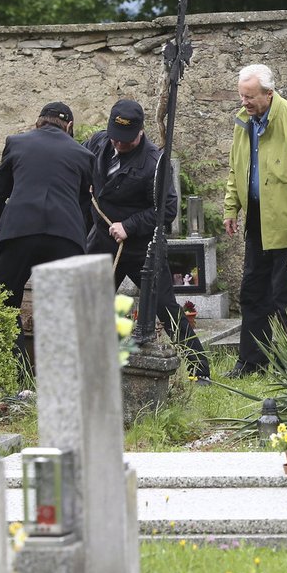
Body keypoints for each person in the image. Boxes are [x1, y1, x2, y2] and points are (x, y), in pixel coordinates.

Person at [85, 98, 210, 380]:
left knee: (165, 306)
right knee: (91, 303)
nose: (118, 144)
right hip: (103, 245)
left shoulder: (155, 162)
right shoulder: (98, 143)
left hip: (142, 248)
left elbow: (167, 209)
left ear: (140, 132)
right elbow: (82, 165)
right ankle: (92, 367)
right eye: (115, 138)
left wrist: (129, 226)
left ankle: (199, 368)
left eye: (125, 141)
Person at [223, 64, 287, 377]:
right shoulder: (244, 122)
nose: (245, 102)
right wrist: (231, 208)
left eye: (251, 97)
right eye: (242, 96)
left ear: (269, 94)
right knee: (252, 293)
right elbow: (235, 170)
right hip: (257, 221)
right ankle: (251, 361)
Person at [0, 102, 94, 310]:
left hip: (18, 233)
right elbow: (86, 209)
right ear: (69, 125)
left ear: (37, 123)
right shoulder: (84, 155)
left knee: (2, 308)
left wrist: (7, 225)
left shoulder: (16, 143)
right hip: (66, 238)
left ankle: (14, 344)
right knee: (62, 313)